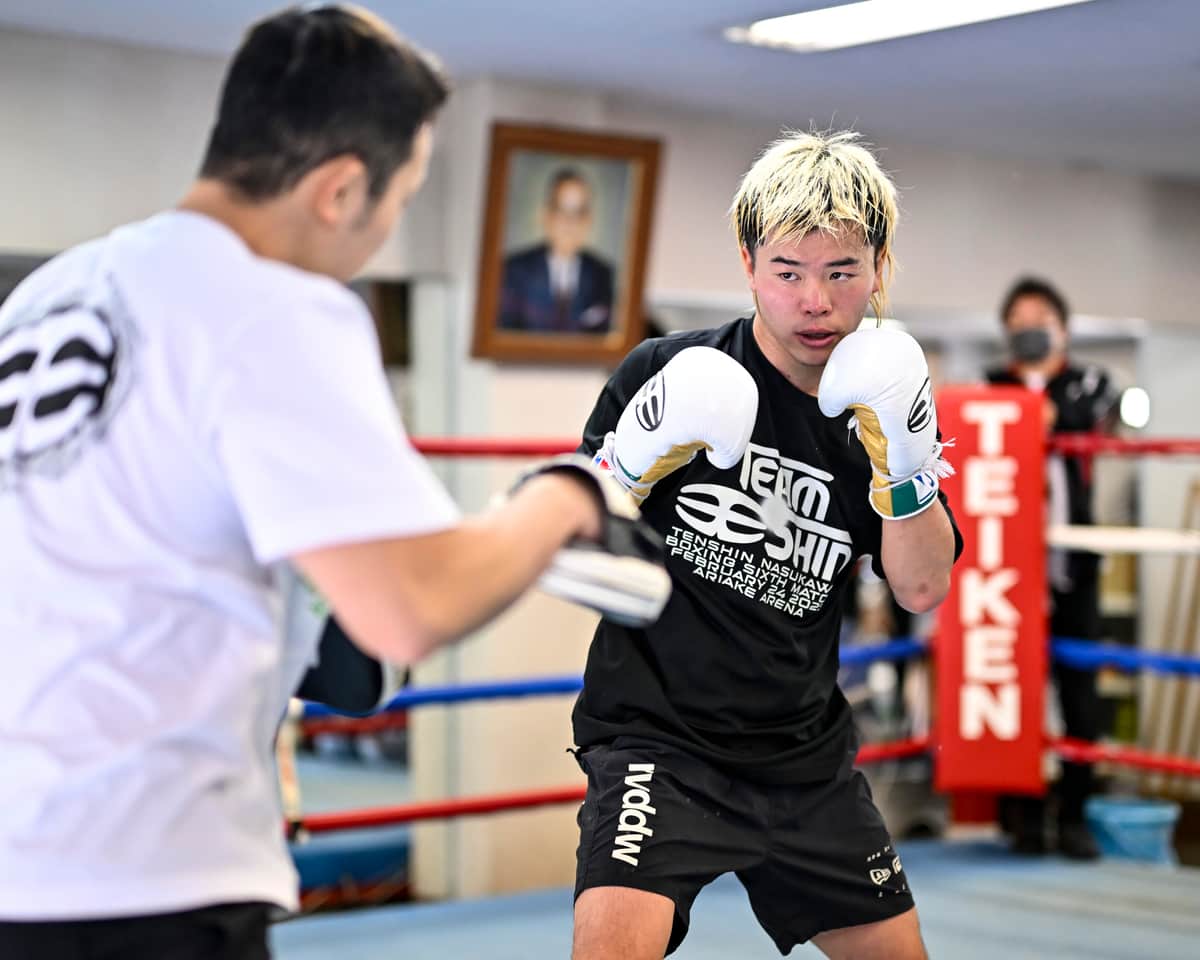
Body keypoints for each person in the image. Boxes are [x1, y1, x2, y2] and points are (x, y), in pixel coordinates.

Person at [0, 6, 665, 958]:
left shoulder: (54, 294)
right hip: (135, 869)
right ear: (340, 187)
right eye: (400, 201)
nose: (386, 230)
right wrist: (561, 498)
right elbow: (408, 609)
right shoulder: (272, 305)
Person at [569, 131, 962, 960]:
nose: (814, 301)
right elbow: (576, 555)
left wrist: (906, 460)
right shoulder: (668, 370)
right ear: (749, 264)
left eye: (840, 273)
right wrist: (626, 465)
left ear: (879, 267)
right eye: (788, 272)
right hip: (658, 743)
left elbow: (922, 589)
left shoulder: (881, 408)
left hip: (803, 758)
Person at [987, 277, 1118, 861]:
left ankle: (1075, 814)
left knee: (1080, 690)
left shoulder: (1088, 383)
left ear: (1062, 324)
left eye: (1039, 315)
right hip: (1005, 560)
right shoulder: (992, 386)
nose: (1028, 326)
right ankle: (1021, 815)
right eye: (1018, 317)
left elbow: (1090, 415)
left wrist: (1042, 415)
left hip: (1072, 560)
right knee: (1009, 685)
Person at [499, 168, 615, 333]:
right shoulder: (515, 270)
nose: (570, 222)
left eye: (578, 212)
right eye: (562, 210)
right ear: (546, 215)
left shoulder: (601, 273)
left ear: (589, 219)